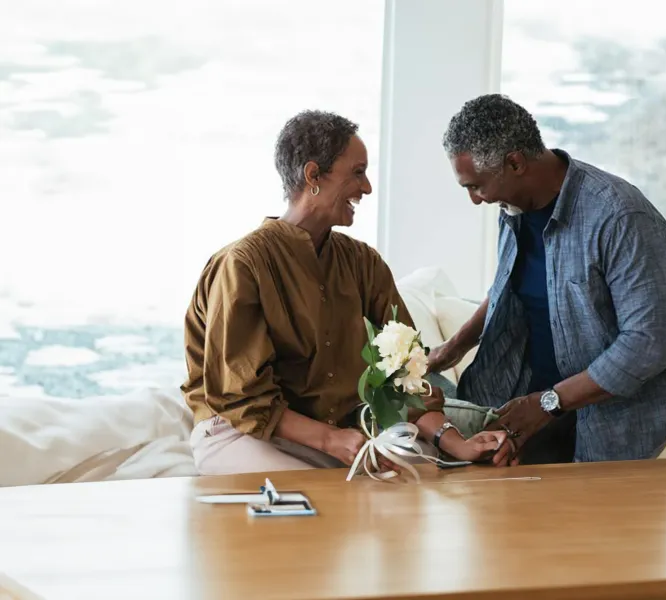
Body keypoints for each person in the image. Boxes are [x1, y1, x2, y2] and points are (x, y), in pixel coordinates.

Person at [182, 110, 508, 475]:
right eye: (357, 172)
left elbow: (404, 371)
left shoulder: (363, 263)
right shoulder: (242, 265)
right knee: (329, 502)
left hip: (337, 433)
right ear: (313, 175)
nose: (367, 187)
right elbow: (239, 397)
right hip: (240, 433)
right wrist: (329, 440)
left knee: (419, 483)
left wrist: (454, 442)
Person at [428, 94, 666, 464]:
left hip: (610, 427)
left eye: (476, 186)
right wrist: (454, 347)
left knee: (591, 523)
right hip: (533, 413)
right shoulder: (513, 206)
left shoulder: (621, 217)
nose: (475, 199)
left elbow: (647, 345)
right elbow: (508, 287)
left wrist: (549, 402)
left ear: (515, 163)